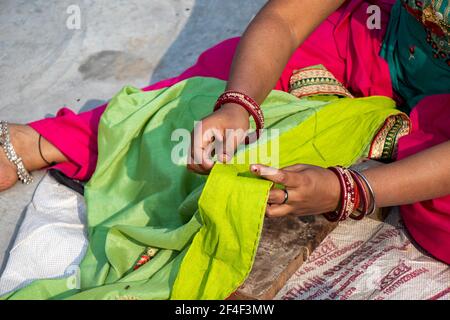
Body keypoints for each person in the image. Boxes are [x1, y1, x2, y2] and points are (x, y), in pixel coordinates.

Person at [1, 0, 449, 264]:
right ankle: (46, 141)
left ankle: (388, 150)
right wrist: (239, 104)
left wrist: (351, 190)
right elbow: (287, 20)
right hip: (371, 42)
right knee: (211, 88)